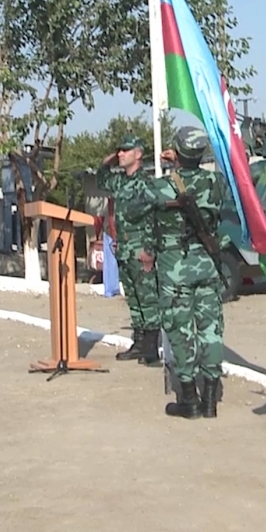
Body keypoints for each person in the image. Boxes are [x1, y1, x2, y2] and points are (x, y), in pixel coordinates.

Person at [130, 126, 228, 419]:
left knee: (180, 330)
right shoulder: (216, 182)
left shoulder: (160, 186)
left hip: (175, 267)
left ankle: (189, 400)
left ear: (176, 152)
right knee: (211, 330)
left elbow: (134, 210)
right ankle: (210, 399)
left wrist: (173, 169)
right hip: (208, 263)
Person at [96, 136, 162, 366]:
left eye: (125, 150)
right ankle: (139, 344)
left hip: (141, 248)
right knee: (134, 299)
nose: (121, 153)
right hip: (124, 247)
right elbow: (101, 177)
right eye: (119, 150)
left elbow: (155, 218)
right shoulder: (120, 182)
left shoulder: (146, 183)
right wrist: (111, 159)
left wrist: (149, 250)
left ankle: (152, 348)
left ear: (138, 154)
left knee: (148, 298)